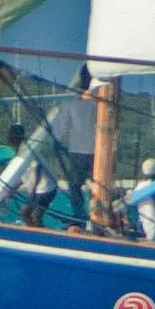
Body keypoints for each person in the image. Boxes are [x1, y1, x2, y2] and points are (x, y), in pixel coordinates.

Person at [50, 67, 99, 219]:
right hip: (96, 151)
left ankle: (80, 216)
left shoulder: (71, 98)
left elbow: (61, 125)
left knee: (75, 187)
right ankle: (95, 214)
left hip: (78, 151)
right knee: (96, 187)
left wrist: (55, 140)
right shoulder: (100, 95)